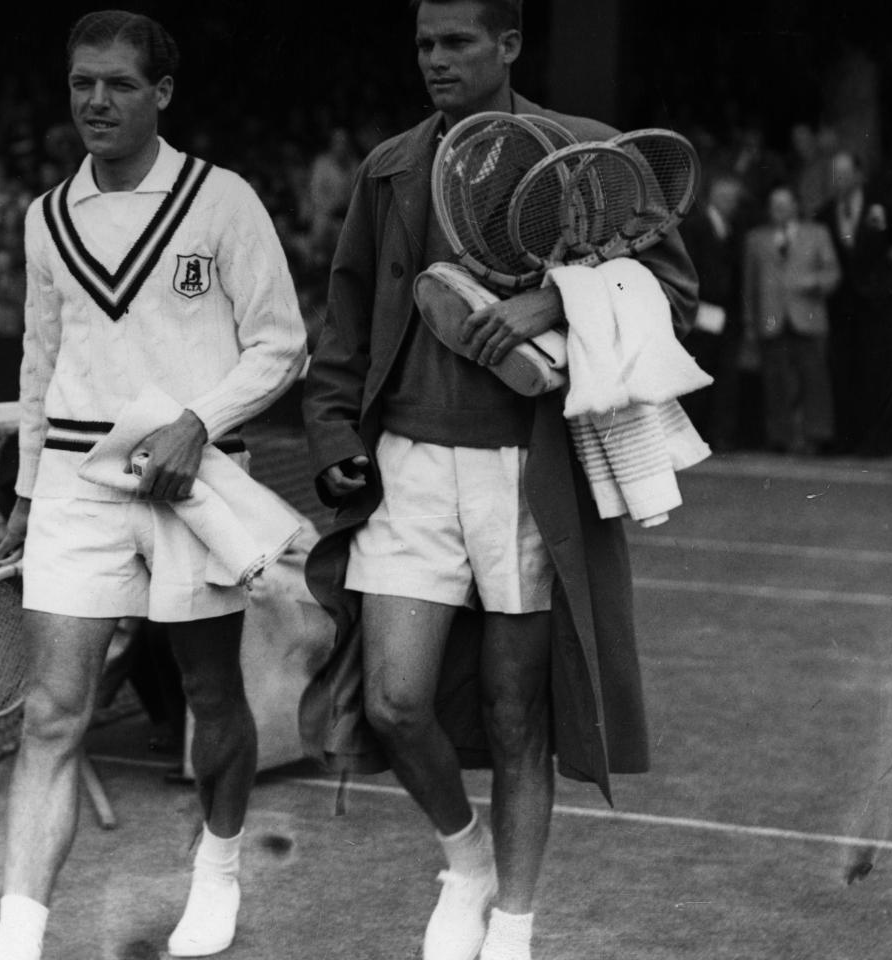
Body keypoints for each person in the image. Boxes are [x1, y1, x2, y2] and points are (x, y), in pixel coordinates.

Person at [298, 3, 698, 960]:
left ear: (510, 45)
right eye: (425, 44)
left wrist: (549, 299)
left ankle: (513, 922)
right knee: (395, 701)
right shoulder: (392, 164)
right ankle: (465, 859)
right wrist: (330, 435)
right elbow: (345, 320)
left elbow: (675, 291)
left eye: (458, 43)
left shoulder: (586, 152)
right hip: (406, 467)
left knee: (521, 712)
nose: (436, 60)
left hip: (529, 470)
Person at [0, 11, 306, 960]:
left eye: (119, 84)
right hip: (77, 489)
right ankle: (17, 938)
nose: (96, 99)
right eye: (82, 81)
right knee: (55, 712)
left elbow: (282, 345)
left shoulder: (224, 202)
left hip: (196, 480)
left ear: (161, 94)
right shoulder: (46, 217)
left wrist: (196, 423)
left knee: (214, 697)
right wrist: (27, 488)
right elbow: (38, 361)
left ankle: (216, 877)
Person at [819, 151, 892, 458]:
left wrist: (888, 278)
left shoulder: (881, 206)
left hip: (876, 304)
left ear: (859, 175)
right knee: (844, 371)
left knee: (878, 371)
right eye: (835, 174)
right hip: (840, 306)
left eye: (845, 173)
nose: (840, 180)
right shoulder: (825, 212)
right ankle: (848, 438)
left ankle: (881, 441)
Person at [743, 184, 840, 456]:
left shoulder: (817, 234)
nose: (780, 211)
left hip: (807, 316)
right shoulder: (756, 239)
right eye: (775, 206)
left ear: (795, 206)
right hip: (771, 318)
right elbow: (749, 285)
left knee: (815, 380)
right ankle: (780, 437)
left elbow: (833, 273)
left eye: (784, 205)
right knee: (775, 381)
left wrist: (814, 282)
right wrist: (750, 322)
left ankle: (817, 436)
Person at [677, 173, 748, 449]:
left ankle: (719, 437)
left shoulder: (732, 228)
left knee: (724, 378)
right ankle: (693, 436)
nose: (732, 204)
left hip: (726, 316)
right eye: (728, 198)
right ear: (715, 198)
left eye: (735, 199)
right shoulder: (695, 227)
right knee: (698, 375)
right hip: (701, 314)